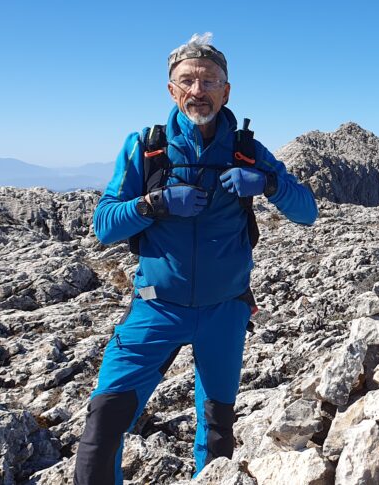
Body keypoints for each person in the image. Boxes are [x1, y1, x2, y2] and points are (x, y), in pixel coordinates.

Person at [74, 33, 317, 483]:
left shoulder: (248, 151)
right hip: (155, 307)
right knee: (104, 422)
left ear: (227, 90)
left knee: (218, 430)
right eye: (187, 81)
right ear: (171, 89)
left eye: (209, 81)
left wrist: (266, 183)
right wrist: (154, 205)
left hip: (225, 311)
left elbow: (307, 212)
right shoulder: (146, 148)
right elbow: (104, 225)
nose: (197, 91)